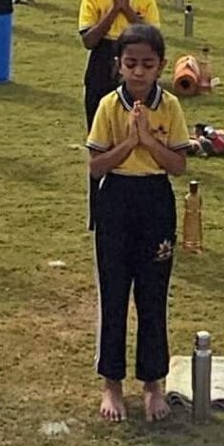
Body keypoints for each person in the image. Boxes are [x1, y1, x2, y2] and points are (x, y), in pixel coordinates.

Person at [85, 23, 195, 424]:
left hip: (154, 201)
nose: (138, 72)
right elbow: (95, 166)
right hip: (116, 200)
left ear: (161, 66)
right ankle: (111, 383)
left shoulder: (170, 107)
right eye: (131, 63)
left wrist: (149, 141)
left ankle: (153, 383)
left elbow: (179, 166)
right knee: (113, 295)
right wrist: (129, 142)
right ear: (118, 66)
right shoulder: (108, 107)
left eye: (147, 64)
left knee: (152, 296)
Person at [79, 0, 162, 128]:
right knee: (99, 116)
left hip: (135, 57)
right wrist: (114, 10)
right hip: (102, 57)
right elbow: (89, 41)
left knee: (134, 117)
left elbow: (153, 38)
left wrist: (127, 10)